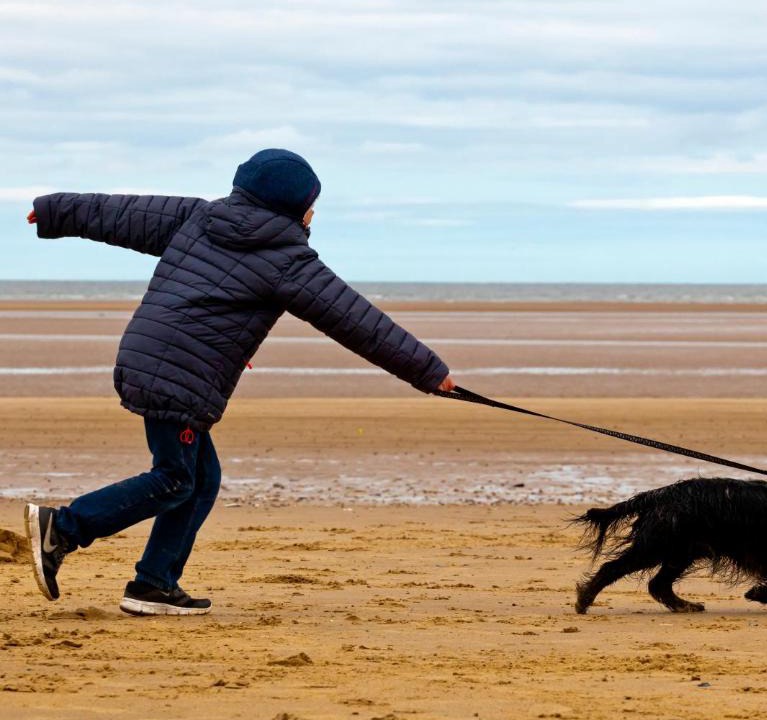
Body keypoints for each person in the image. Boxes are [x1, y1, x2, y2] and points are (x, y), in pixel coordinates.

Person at [22, 148, 455, 616]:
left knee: (201, 478)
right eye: (313, 205)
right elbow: (359, 322)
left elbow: (117, 213)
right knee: (174, 479)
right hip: (179, 376)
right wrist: (430, 372)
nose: (315, 214)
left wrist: (54, 209)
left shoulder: (196, 217)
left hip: (150, 357)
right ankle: (64, 528)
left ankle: (153, 584)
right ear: (297, 208)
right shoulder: (288, 259)